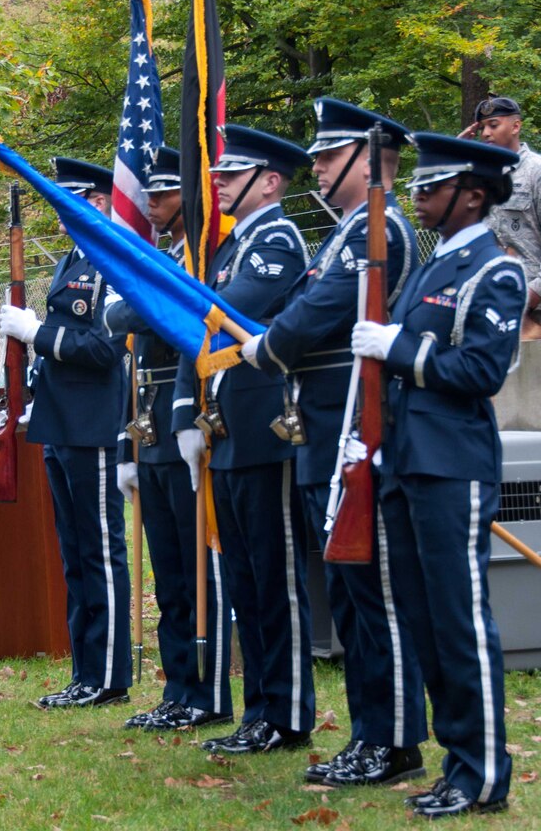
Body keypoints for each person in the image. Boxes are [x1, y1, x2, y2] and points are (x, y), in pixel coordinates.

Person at [242, 98, 428, 786]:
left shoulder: (377, 231)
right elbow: (303, 301)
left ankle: (396, 739)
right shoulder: (342, 234)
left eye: (327, 155)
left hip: (360, 431)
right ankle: (368, 733)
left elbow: (312, 313)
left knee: (374, 592)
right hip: (325, 431)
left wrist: (269, 345)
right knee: (349, 597)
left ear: (365, 159)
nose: (315, 166)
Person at [352, 132, 524, 817]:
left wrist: (401, 348)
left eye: (432, 187)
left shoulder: (495, 272)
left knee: (459, 622)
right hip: (406, 459)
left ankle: (482, 773)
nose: (418, 196)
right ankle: (457, 764)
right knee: (424, 622)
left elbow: (479, 371)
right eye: (419, 186)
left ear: (473, 195)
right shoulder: (428, 269)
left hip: (453, 465)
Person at [172, 125, 315, 754]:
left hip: (267, 430)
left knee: (275, 580)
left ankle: (286, 715)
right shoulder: (232, 245)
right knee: (245, 583)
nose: (219, 184)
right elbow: (205, 320)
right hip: (229, 429)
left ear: (272, 182)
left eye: (232, 176)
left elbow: (224, 309)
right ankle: (259, 708)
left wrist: (166, 294)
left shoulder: (277, 238)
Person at [102, 146, 233, 731]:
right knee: (168, 571)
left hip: (191, 424)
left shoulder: (200, 258)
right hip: (151, 427)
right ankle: (178, 686)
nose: (151, 206)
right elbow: (122, 327)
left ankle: (208, 692)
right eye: (147, 195)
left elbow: (156, 316)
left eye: (162, 195)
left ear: (189, 195)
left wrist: (138, 308)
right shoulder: (163, 257)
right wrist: (129, 447)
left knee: (198, 566)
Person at [0, 158, 132, 709]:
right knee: (74, 555)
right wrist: (33, 377)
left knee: (100, 551)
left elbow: (105, 349)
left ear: (98, 203)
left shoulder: (113, 262)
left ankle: (107, 677)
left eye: (70, 203)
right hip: (60, 422)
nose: (59, 217)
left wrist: (37, 332)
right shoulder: (75, 259)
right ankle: (86, 672)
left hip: (95, 425)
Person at [459, 96, 541, 338]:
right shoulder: (478, 179)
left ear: (515, 126)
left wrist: (526, 299)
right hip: (484, 317)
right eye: (482, 128)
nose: (486, 134)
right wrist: (454, 162)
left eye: (493, 124)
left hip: (535, 321)